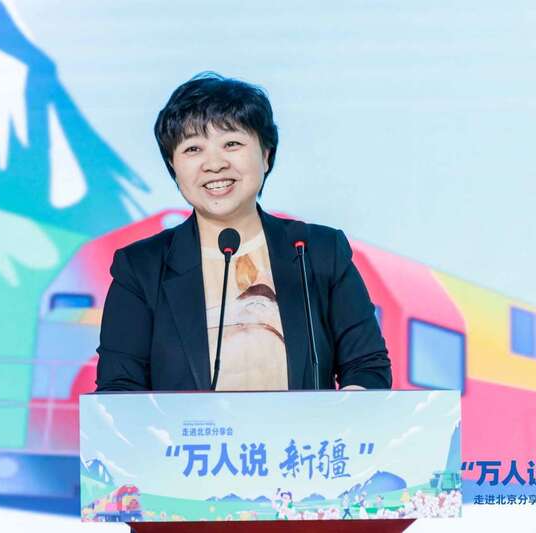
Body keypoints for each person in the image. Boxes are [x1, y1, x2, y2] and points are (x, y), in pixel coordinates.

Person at [95, 72, 391, 392]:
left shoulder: (318, 250)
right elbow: (119, 388)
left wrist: (354, 400)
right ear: (173, 166)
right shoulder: (141, 268)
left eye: (232, 144)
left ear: (265, 155)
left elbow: (367, 366)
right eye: (193, 149)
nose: (214, 164)